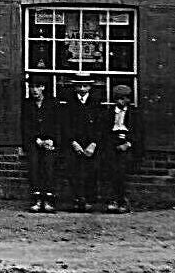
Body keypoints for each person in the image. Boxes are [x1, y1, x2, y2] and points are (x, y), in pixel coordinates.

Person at [62, 73, 103, 212]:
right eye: (79, 86)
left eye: (85, 86)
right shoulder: (69, 103)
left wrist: (93, 143)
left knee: (91, 171)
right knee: (74, 170)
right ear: (74, 87)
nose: (82, 89)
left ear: (90, 87)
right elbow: (65, 125)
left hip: (91, 145)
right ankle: (77, 198)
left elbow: (100, 126)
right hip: (74, 144)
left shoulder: (96, 103)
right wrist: (73, 143)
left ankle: (88, 199)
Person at [21, 74, 61, 212]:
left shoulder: (52, 103)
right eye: (31, 87)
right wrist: (36, 139)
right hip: (34, 143)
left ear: (43, 87)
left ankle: (49, 200)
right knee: (34, 165)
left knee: (49, 166)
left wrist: (51, 139)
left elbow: (57, 124)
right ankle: (37, 199)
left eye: (37, 87)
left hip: (50, 142)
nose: (34, 90)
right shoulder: (27, 104)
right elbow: (26, 125)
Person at [101, 84, 141, 213]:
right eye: (119, 99)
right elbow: (104, 132)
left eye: (124, 99)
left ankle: (122, 200)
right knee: (111, 171)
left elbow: (138, 134)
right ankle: (113, 199)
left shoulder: (134, 115)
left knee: (122, 172)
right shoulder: (109, 113)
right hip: (112, 144)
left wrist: (128, 144)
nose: (121, 102)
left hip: (126, 144)